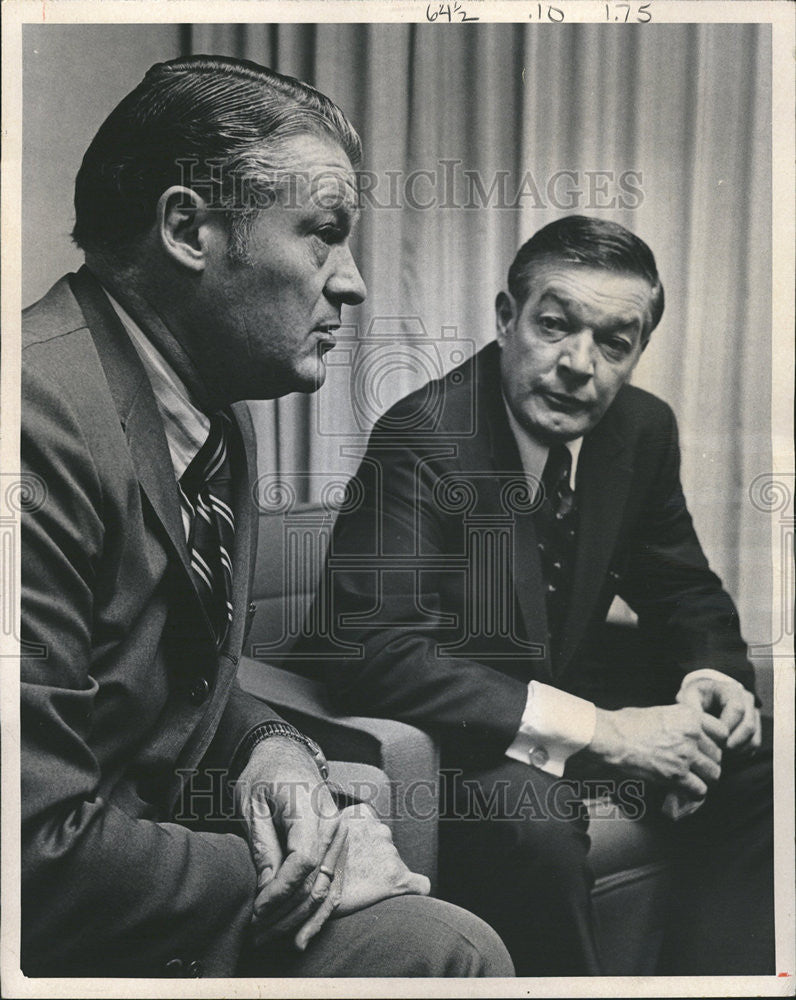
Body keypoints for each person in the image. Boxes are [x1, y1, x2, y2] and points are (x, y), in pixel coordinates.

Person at [19, 54, 515, 979]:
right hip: (64, 919)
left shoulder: (218, 423)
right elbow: (27, 855)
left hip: (142, 868)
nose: (353, 283)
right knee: (447, 954)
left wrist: (272, 744)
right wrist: (299, 862)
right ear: (186, 228)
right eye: (324, 235)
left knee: (452, 946)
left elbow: (171, 684)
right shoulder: (28, 420)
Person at [311, 215, 774, 976]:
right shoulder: (425, 436)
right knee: (536, 824)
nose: (578, 365)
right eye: (555, 325)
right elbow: (376, 652)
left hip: (570, 699)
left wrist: (709, 683)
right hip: (460, 737)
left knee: (766, 760)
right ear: (505, 319)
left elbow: (684, 589)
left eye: (613, 343)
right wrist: (612, 734)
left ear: (636, 353)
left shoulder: (641, 428)